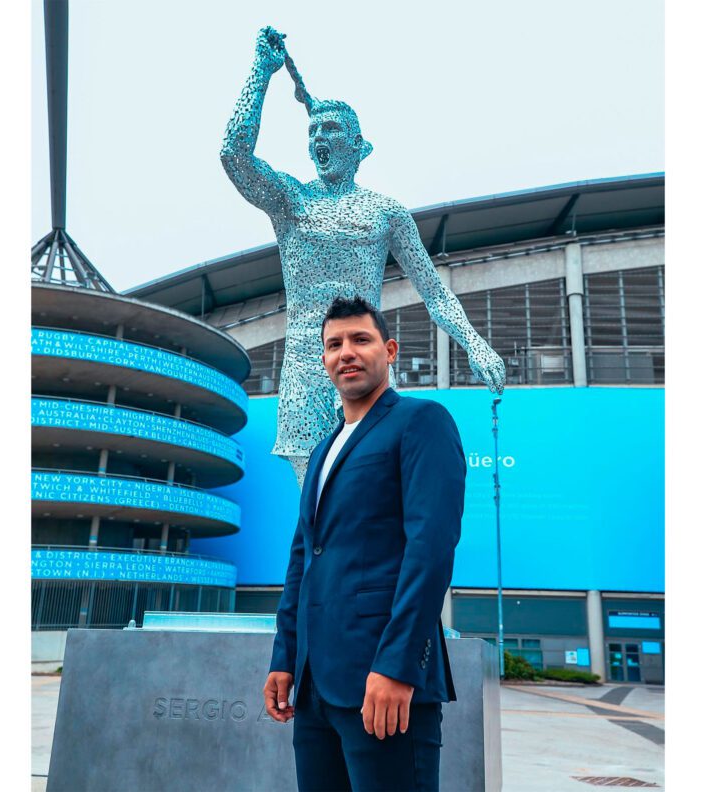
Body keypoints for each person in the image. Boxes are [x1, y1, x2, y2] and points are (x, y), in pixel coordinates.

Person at [221, 26, 505, 487]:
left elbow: (433, 291)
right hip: (305, 369)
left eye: (330, 129)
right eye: (312, 131)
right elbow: (234, 153)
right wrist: (261, 74)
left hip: (365, 363)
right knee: (315, 502)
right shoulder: (290, 202)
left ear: (359, 146)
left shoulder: (385, 211)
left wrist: (474, 343)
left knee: (369, 491)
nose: (318, 138)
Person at [263, 296, 466, 792]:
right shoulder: (323, 448)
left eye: (360, 340)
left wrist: (397, 665)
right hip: (314, 690)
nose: (346, 353)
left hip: (383, 683)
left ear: (390, 350)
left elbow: (430, 549)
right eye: (334, 345)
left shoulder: (421, 422)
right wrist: (285, 656)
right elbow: (302, 562)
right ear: (325, 360)